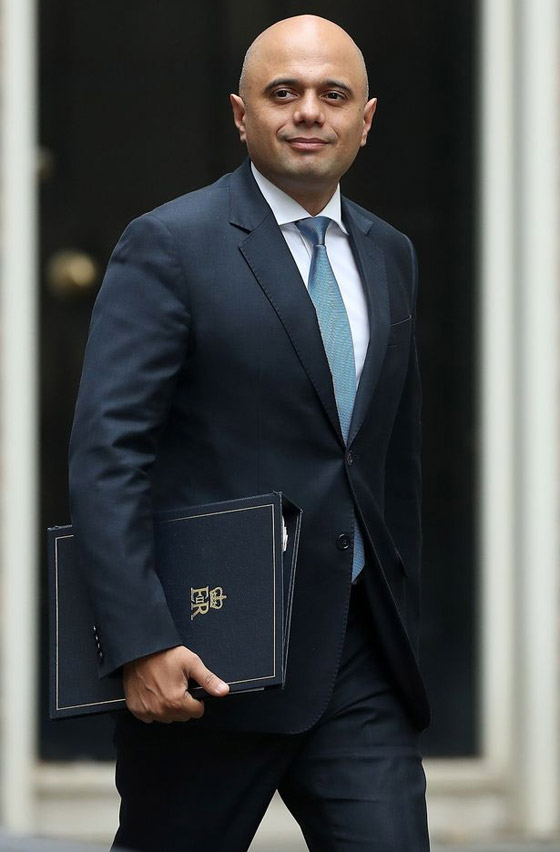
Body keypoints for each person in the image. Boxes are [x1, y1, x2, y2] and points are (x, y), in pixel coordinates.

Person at [68, 14, 431, 852]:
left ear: (366, 119)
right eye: (284, 92)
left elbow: (389, 460)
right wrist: (141, 640)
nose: (309, 111)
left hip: (358, 660)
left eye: (333, 94)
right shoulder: (170, 244)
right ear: (242, 114)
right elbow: (108, 456)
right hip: (209, 660)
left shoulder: (391, 253)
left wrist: (400, 626)